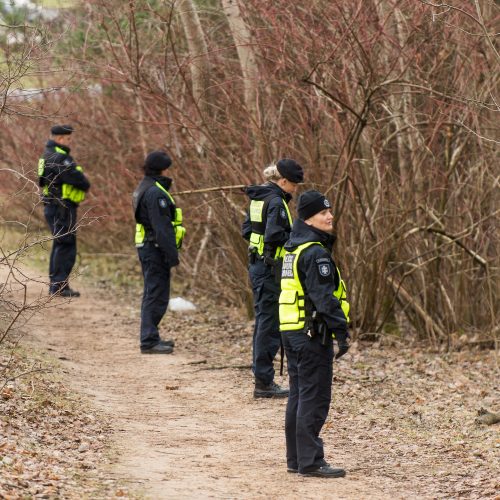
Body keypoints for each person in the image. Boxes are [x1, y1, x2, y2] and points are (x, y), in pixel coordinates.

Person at [279, 190, 351, 478]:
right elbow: (323, 298)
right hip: (311, 334)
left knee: (299, 395)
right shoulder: (314, 252)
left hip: (291, 330)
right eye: (323, 213)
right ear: (309, 218)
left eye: (330, 210)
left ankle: (296, 458)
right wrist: (341, 331)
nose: (330, 216)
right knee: (315, 397)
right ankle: (310, 461)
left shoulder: (292, 248)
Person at [242, 158, 304, 398]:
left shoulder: (258, 198)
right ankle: (264, 382)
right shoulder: (276, 201)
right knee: (269, 325)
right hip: (270, 269)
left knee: (263, 322)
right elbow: (276, 235)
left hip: (258, 265)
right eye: (294, 184)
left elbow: (247, 230)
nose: (295, 189)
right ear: (284, 181)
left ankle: (262, 378)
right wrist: (296, 238)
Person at [132, 150, 185, 354]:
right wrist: (171, 255)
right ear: (163, 169)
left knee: (153, 292)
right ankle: (148, 341)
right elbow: (162, 227)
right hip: (154, 248)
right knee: (156, 294)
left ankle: (151, 336)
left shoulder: (144, 187)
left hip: (148, 247)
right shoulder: (155, 193)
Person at [38, 124, 90, 297]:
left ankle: (57, 284)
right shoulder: (59, 158)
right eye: (68, 139)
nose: (70, 142)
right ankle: (59, 286)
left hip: (54, 206)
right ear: (60, 139)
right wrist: (83, 180)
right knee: (65, 245)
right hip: (61, 207)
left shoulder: (47, 155)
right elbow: (80, 180)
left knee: (60, 244)